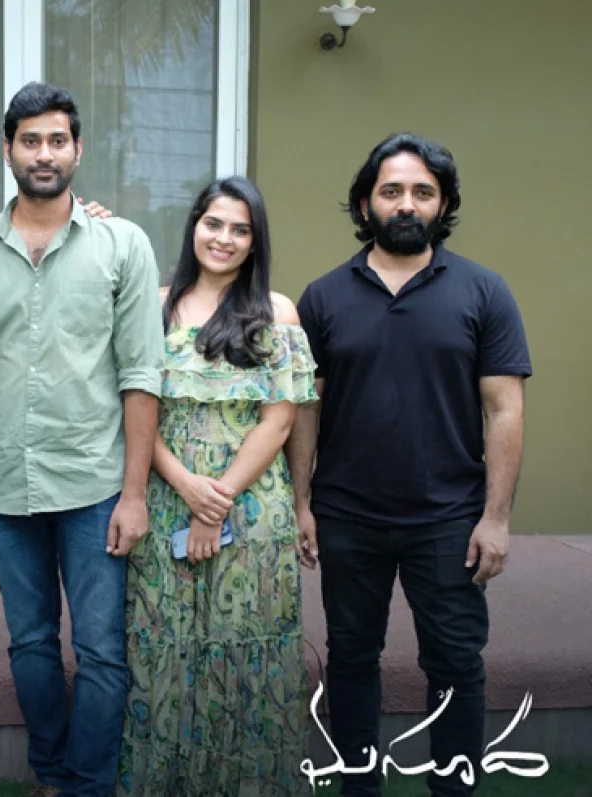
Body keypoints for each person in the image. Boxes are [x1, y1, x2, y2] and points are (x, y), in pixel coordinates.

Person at [286, 133, 531, 797]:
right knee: (351, 657)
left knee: (455, 662)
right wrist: (302, 502)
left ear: (443, 204)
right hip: (347, 516)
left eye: (423, 191)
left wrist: (497, 518)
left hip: (450, 519)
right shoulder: (323, 297)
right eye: (391, 190)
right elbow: (305, 409)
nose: (406, 203)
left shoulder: (484, 292)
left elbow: (504, 410)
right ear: (365, 203)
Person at [0, 82, 165, 797]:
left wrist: (134, 494)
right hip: (4, 489)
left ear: (78, 149)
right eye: (30, 140)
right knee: (31, 643)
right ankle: (49, 773)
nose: (44, 153)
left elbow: (141, 374)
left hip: (96, 486)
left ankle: (90, 783)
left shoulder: (122, 244)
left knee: (101, 649)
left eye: (57, 140)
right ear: (8, 149)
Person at [115, 177, 317, 796]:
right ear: (194, 227)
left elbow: (279, 421)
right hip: (165, 498)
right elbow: (137, 408)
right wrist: (184, 486)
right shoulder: (154, 305)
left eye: (240, 229)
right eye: (214, 223)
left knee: (242, 644)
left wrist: (216, 503)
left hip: (251, 507)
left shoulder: (277, 312)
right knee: (167, 644)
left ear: (255, 241)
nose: (224, 238)